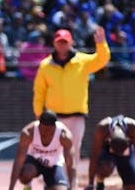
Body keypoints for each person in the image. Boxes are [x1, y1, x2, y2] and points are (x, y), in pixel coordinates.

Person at [33, 26, 110, 164]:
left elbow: (102, 60)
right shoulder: (45, 65)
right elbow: (39, 91)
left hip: (76, 116)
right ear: (54, 43)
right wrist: (39, 113)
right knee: (53, 149)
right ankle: (53, 182)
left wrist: (101, 44)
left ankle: (71, 183)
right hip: (54, 117)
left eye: (65, 42)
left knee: (73, 149)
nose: (62, 45)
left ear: (71, 42)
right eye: (59, 42)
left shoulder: (82, 61)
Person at [1, 110, 76, 190]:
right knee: (26, 174)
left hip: (53, 165)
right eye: (42, 130)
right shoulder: (28, 132)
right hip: (33, 163)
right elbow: (18, 161)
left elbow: (71, 163)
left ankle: (50, 189)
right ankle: (27, 186)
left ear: (55, 127)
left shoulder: (64, 136)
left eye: (49, 131)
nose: (45, 133)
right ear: (39, 125)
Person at [79, 115, 135, 190]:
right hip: (107, 154)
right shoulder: (102, 129)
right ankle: (100, 182)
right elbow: (94, 156)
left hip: (127, 154)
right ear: (109, 140)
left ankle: (126, 185)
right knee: (106, 167)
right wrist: (90, 184)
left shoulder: (133, 128)